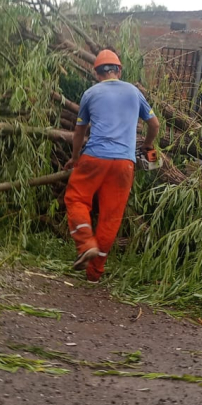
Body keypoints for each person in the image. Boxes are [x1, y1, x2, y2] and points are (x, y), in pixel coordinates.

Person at [64, 49, 161, 283]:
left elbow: (79, 131)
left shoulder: (90, 93)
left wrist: (75, 157)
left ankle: (86, 242)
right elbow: (155, 125)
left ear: (96, 73)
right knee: (111, 217)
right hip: (124, 163)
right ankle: (94, 274)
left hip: (95, 157)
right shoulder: (134, 92)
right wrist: (146, 146)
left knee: (76, 199)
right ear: (119, 70)